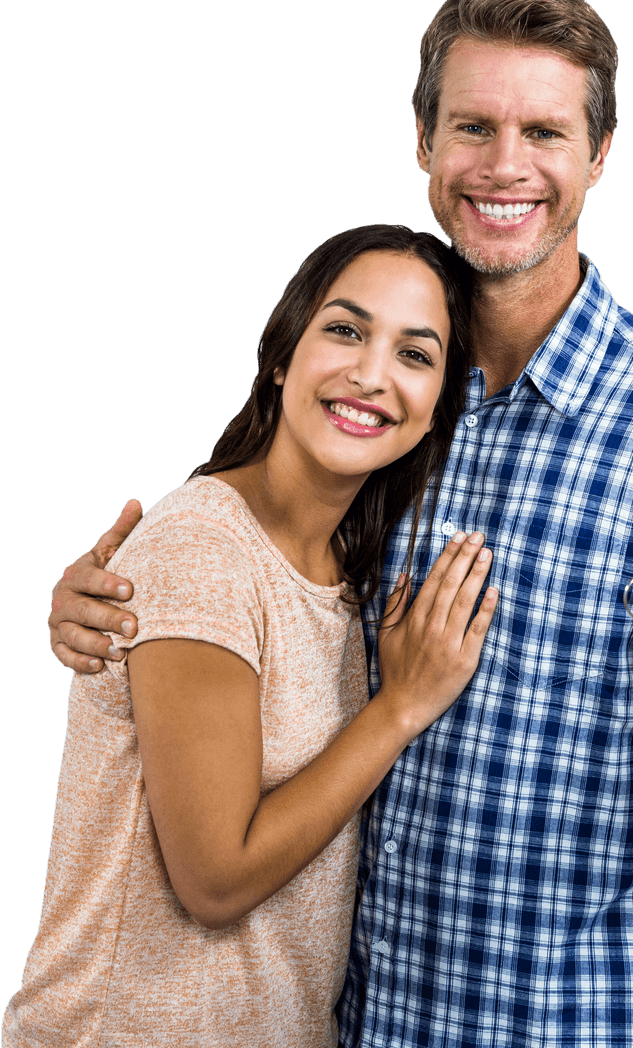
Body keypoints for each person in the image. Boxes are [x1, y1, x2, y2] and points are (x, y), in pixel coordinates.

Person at [45, 0, 633, 1047]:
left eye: (544, 131)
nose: (505, 165)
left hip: (598, 1024)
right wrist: (119, 606)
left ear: (598, 156)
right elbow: (253, 572)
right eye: (472, 125)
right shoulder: (389, 409)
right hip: (375, 1021)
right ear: (424, 141)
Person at [4, 224, 500, 1048]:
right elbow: (215, 878)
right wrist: (402, 708)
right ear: (282, 357)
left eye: (416, 355)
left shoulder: (351, 575)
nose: (372, 374)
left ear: (437, 411)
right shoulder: (206, 548)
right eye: (344, 329)